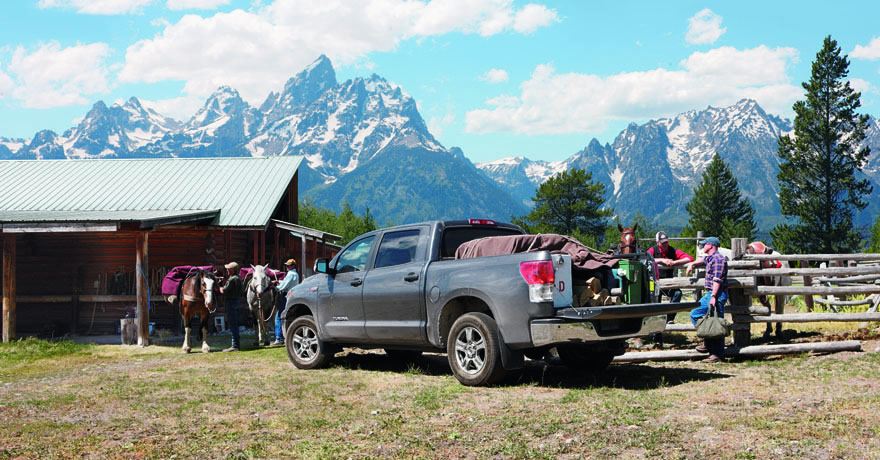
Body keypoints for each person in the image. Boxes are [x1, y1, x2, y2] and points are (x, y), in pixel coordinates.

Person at [685, 236, 728, 363]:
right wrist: (692, 263)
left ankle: (717, 353)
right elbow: (703, 260)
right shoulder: (711, 258)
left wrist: (714, 296)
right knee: (704, 317)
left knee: (715, 321)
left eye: (705, 244)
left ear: (710, 245)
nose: (703, 247)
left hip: (716, 293)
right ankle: (709, 343)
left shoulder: (718, 259)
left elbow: (717, 279)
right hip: (712, 293)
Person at [646, 231, 694, 323]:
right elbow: (645, 258)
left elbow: (689, 258)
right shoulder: (653, 250)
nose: (665, 244)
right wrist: (661, 260)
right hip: (655, 283)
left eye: (666, 242)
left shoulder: (672, 250)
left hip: (669, 283)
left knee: (677, 294)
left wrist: (675, 262)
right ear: (657, 242)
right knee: (656, 302)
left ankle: (669, 318)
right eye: (663, 243)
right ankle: (657, 321)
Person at [271, 258, 299, 346]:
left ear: (293, 266)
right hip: (292, 295)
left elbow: (284, 286)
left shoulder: (290, 274)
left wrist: (274, 287)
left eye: (289, 265)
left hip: (287, 296)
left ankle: (279, 338)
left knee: (278, 316)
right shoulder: (295, 274)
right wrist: (278, 281)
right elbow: (286, 282)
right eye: (287, 265)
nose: (287, 267)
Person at [220, 261, 243, 352]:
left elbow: (223, 291)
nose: (227, 270)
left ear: (233, 270)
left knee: (233, 324)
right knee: (234, 323)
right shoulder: (238, 278)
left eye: (229, 269)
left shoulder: (233, 279)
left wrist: (219, 286)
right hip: (236, 302)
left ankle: (235, 345)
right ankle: (236, 344)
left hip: (231, 302)